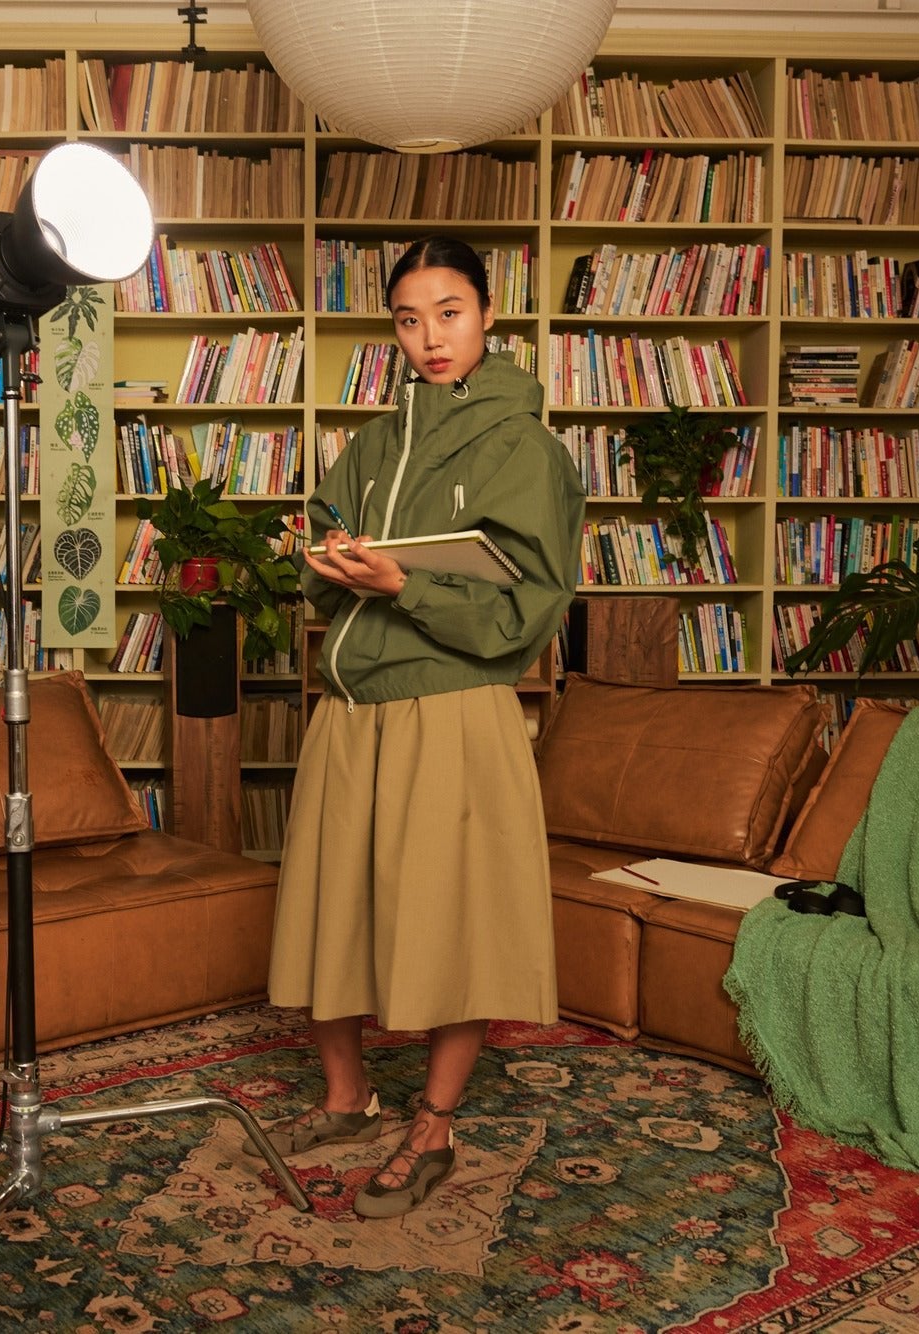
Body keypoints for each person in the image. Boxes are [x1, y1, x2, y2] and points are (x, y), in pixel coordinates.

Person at [250, 235, 584, 1219]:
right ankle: (347, 1094)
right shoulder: (374, 438)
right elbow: (317, 532)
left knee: (450, 913)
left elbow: (525, 609)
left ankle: (432, 1121)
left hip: (448, 709)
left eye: (448, 311)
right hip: (351, 709)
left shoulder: (524, 446)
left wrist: (405, 581)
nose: (429, 336)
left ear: (487, 314)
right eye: (407, 317)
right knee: (331, 903)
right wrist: (323, 553)